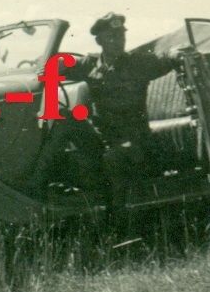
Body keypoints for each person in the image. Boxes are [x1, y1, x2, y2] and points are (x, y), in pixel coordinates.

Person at [65, 12, 180, 219]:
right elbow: (59, 67)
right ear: (99, 41)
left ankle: (118, 221)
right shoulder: (89, 65)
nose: (118, 41)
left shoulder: (138, 63)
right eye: (112, 37)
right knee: (65, 124)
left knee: (113, 159)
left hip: (135, 140)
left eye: (121, 36)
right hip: (103, 138)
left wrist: (175, 53)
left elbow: (164, 59)